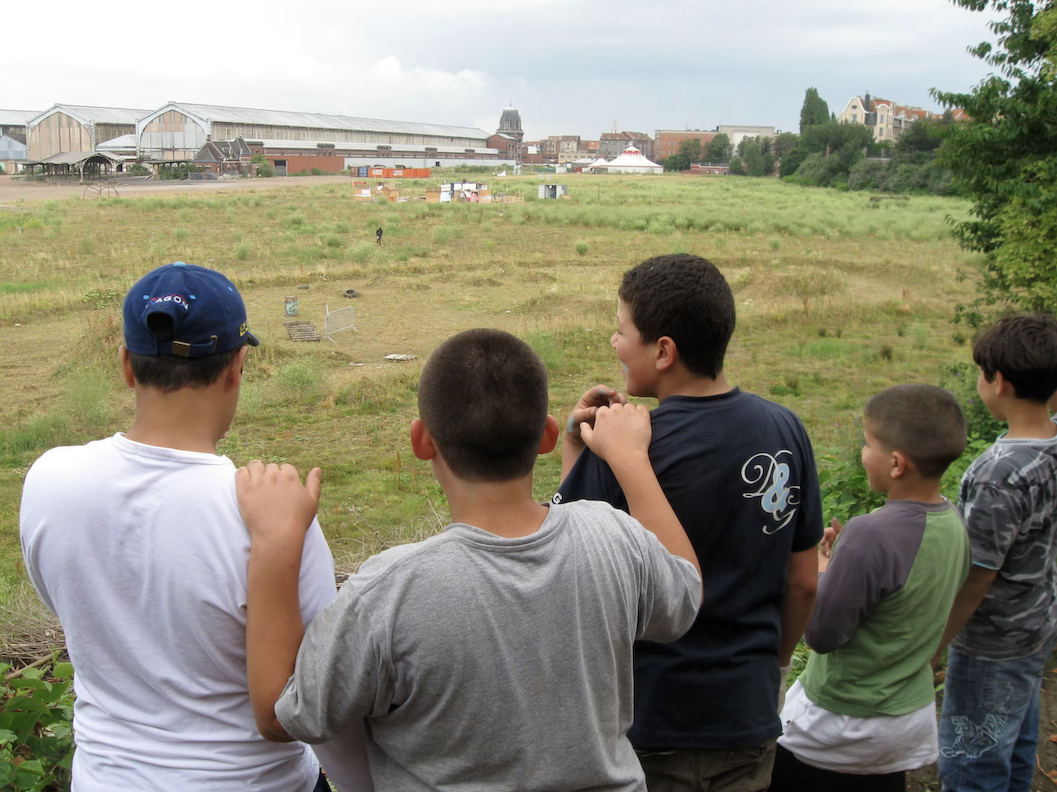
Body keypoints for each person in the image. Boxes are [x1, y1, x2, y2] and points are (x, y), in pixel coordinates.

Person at [237, 328, 703, 792]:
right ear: (545, 436)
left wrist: (275, 541)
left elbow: (281, 715)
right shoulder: (612, 535)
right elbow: (685, 594)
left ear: (422, 442)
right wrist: (629, 459)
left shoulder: (390, 592)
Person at [19, 262, 368, 792]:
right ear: (237, 367)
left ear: (126, 366)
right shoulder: (276, 518)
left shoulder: (49, 481)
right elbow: (309, 697)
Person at [554, 253, 823, 791]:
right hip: (745, 716)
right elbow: (804, 582)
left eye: (620, 330)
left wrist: (578, 452)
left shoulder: (623, 450)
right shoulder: (786, 429)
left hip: (648, 720)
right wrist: (774, 667)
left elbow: (570, 557)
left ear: (663, 350)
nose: (613, 343)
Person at [771, 384, 970, 792]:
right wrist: (846, 558)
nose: (863, 453)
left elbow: (822, 634)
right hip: (903, 724)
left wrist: (825, 565)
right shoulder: (955, 523)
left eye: (867, 444)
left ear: (896, 463)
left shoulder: (870, 534)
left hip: (840, 727)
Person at [933, 313, 1057, 792]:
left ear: (998, 382)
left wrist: (938, 640)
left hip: (991, 640)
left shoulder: (998, 472)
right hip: (1036, 622)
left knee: (972, 762)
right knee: (1017, 742)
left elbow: (980, 573)